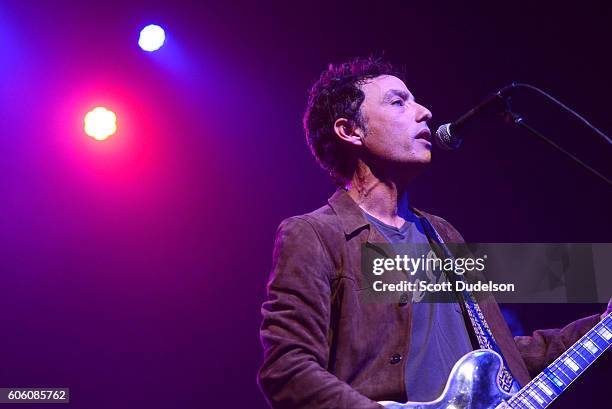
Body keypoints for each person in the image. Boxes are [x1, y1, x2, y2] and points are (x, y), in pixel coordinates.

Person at [257, 57, 611, 409]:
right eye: (398, 102)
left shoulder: (442, 234)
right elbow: (288, 369)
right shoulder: (314, 234)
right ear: (351, 131)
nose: (424, 111)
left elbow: (500, 357)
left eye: (415, 100)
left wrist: (602, 324)